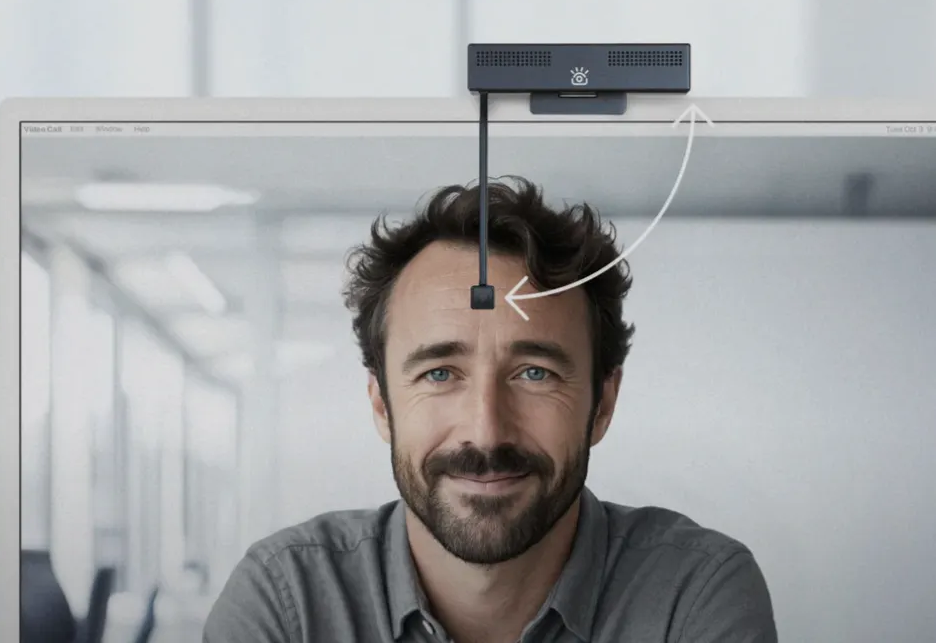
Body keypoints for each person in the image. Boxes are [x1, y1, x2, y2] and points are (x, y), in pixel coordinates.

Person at [202, 177, 777, 643]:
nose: (485, 430)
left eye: (535, 373)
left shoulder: (694, 592)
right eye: (439, 373)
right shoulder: (287, 601)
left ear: (603, 404)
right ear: (381, 403)